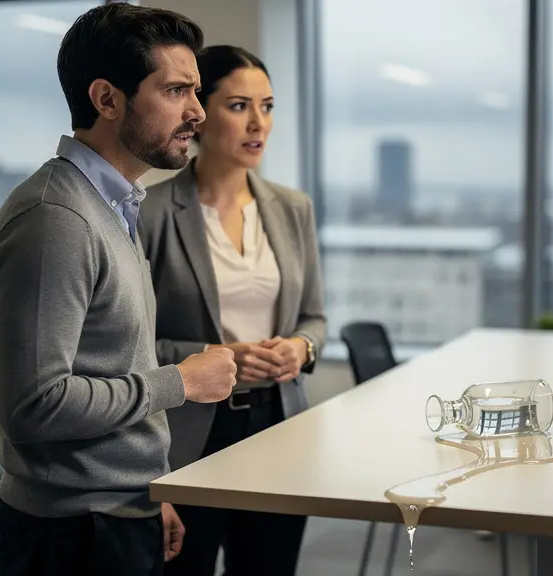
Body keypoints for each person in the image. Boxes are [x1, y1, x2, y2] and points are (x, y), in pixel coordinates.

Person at [0, 5, 238, 576]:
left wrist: (148, 491)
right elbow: (34, 407)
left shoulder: (111, 206)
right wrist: (184, 382)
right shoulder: (56, 220)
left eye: (196, 91)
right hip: (72, 532)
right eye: (175, 91)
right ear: (106, 99)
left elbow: (112, 361)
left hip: (113, 512)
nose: (197, 112)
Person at [137, 45, 327, 576]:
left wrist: (300, 348)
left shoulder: (293, 209)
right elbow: (127, 346)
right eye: (239, 105)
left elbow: (315, 318)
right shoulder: (149, 213)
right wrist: (215, 360)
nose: (257, 123)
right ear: (198, 110)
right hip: (188, 432)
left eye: (267, 106)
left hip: (278, 424)